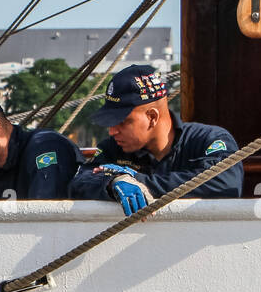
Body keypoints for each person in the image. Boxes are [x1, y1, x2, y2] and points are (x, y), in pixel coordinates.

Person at [69, 64, 242, 215]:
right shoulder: (112, 148)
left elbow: (225, 182)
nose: (112, 131)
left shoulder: (209, 140)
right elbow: (80, 182)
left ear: (152, 117)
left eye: (122, 122)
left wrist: (138, 181)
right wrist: (112, 182)